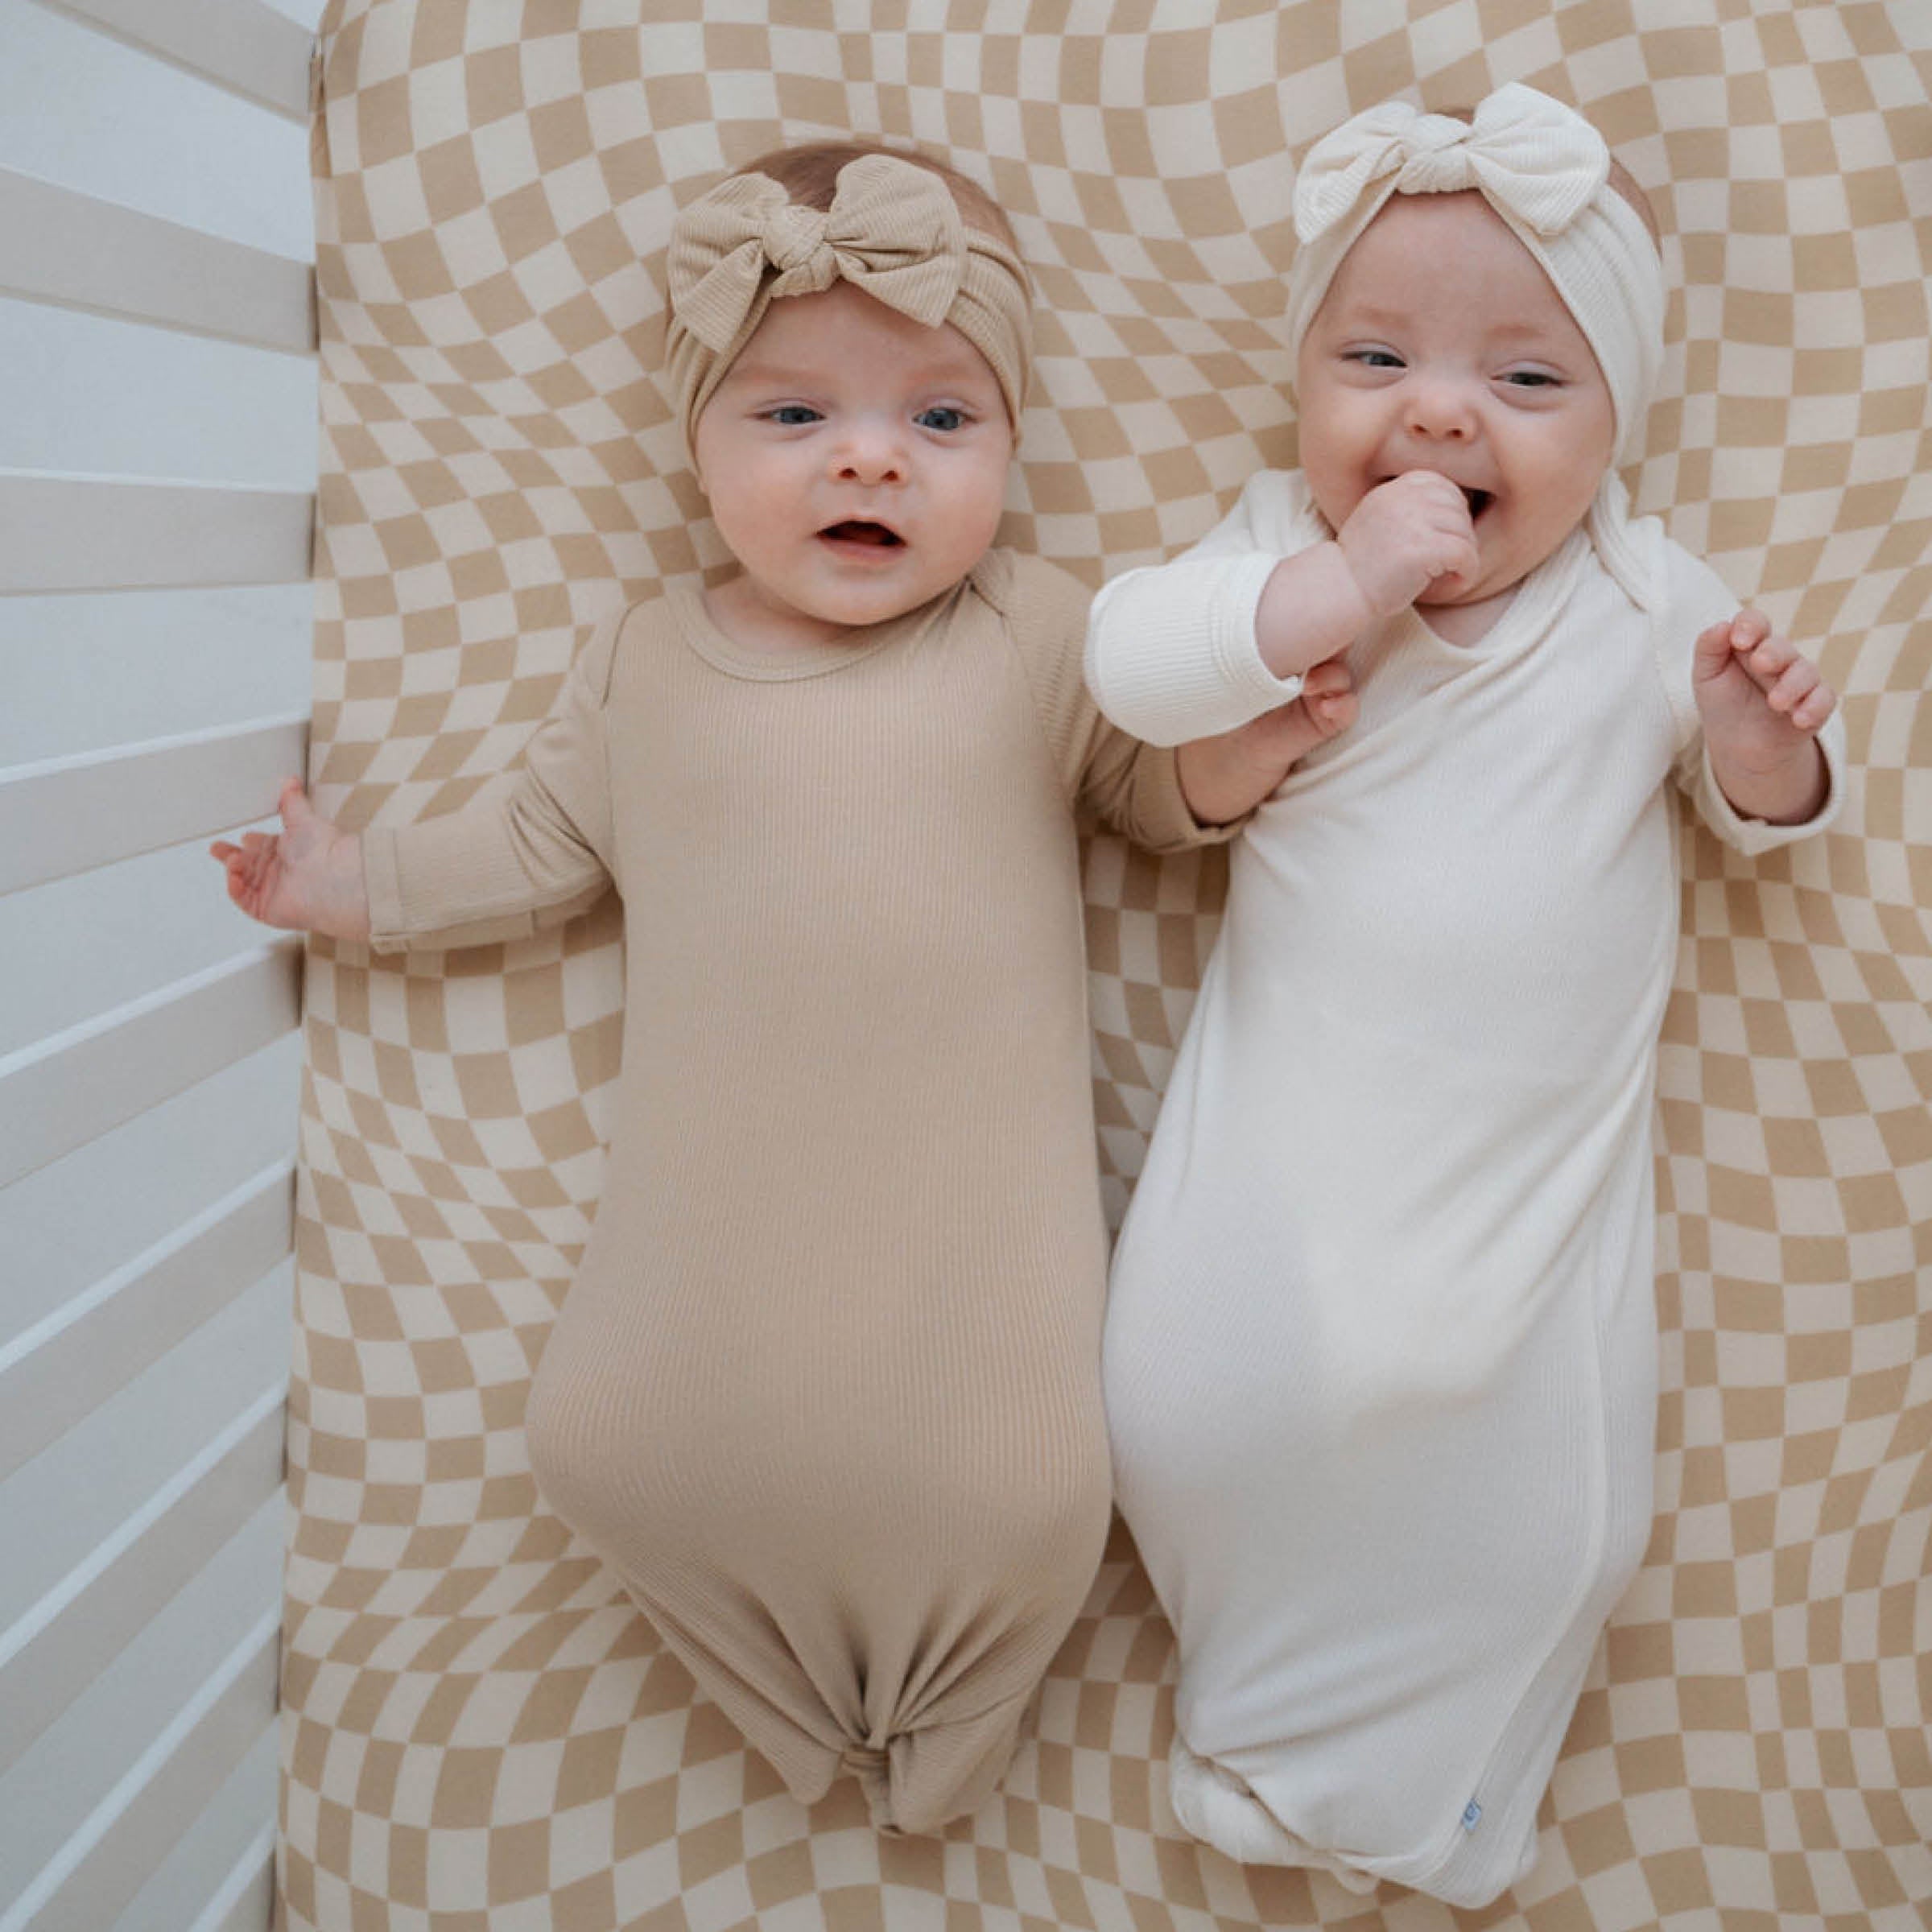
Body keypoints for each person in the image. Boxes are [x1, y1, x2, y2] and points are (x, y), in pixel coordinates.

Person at [213, 142, 1322, 1835]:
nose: (870, 454)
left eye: (941, 422)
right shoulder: (646, 657)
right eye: (791, 417)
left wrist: (1242, 756)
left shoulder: (1039, 630)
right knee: (607, 1445)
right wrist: (356, 887)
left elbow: (1151, 797)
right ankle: (793, 1717)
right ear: (697, 443)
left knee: (1032, 1488)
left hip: (971, 1258)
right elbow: (531, 843)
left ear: (1013, 449)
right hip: (716, 1244)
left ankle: (953, 1730)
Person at [1083, 85, 1843, 1907]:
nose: (1437, 409)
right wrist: (1328, 594)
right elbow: (1128, 666)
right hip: (1277, 1158)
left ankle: (1414, 1792)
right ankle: (1258, 1716)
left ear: (1613, 432)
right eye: (1377, 356)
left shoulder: (1645, 596)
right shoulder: (1278, 545)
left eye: (1526, 380)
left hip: (1512, 1197)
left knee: (1520, 1500)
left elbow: (1784, 819)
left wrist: (1761, 745)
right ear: (1306, 392)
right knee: (1182, 1411)